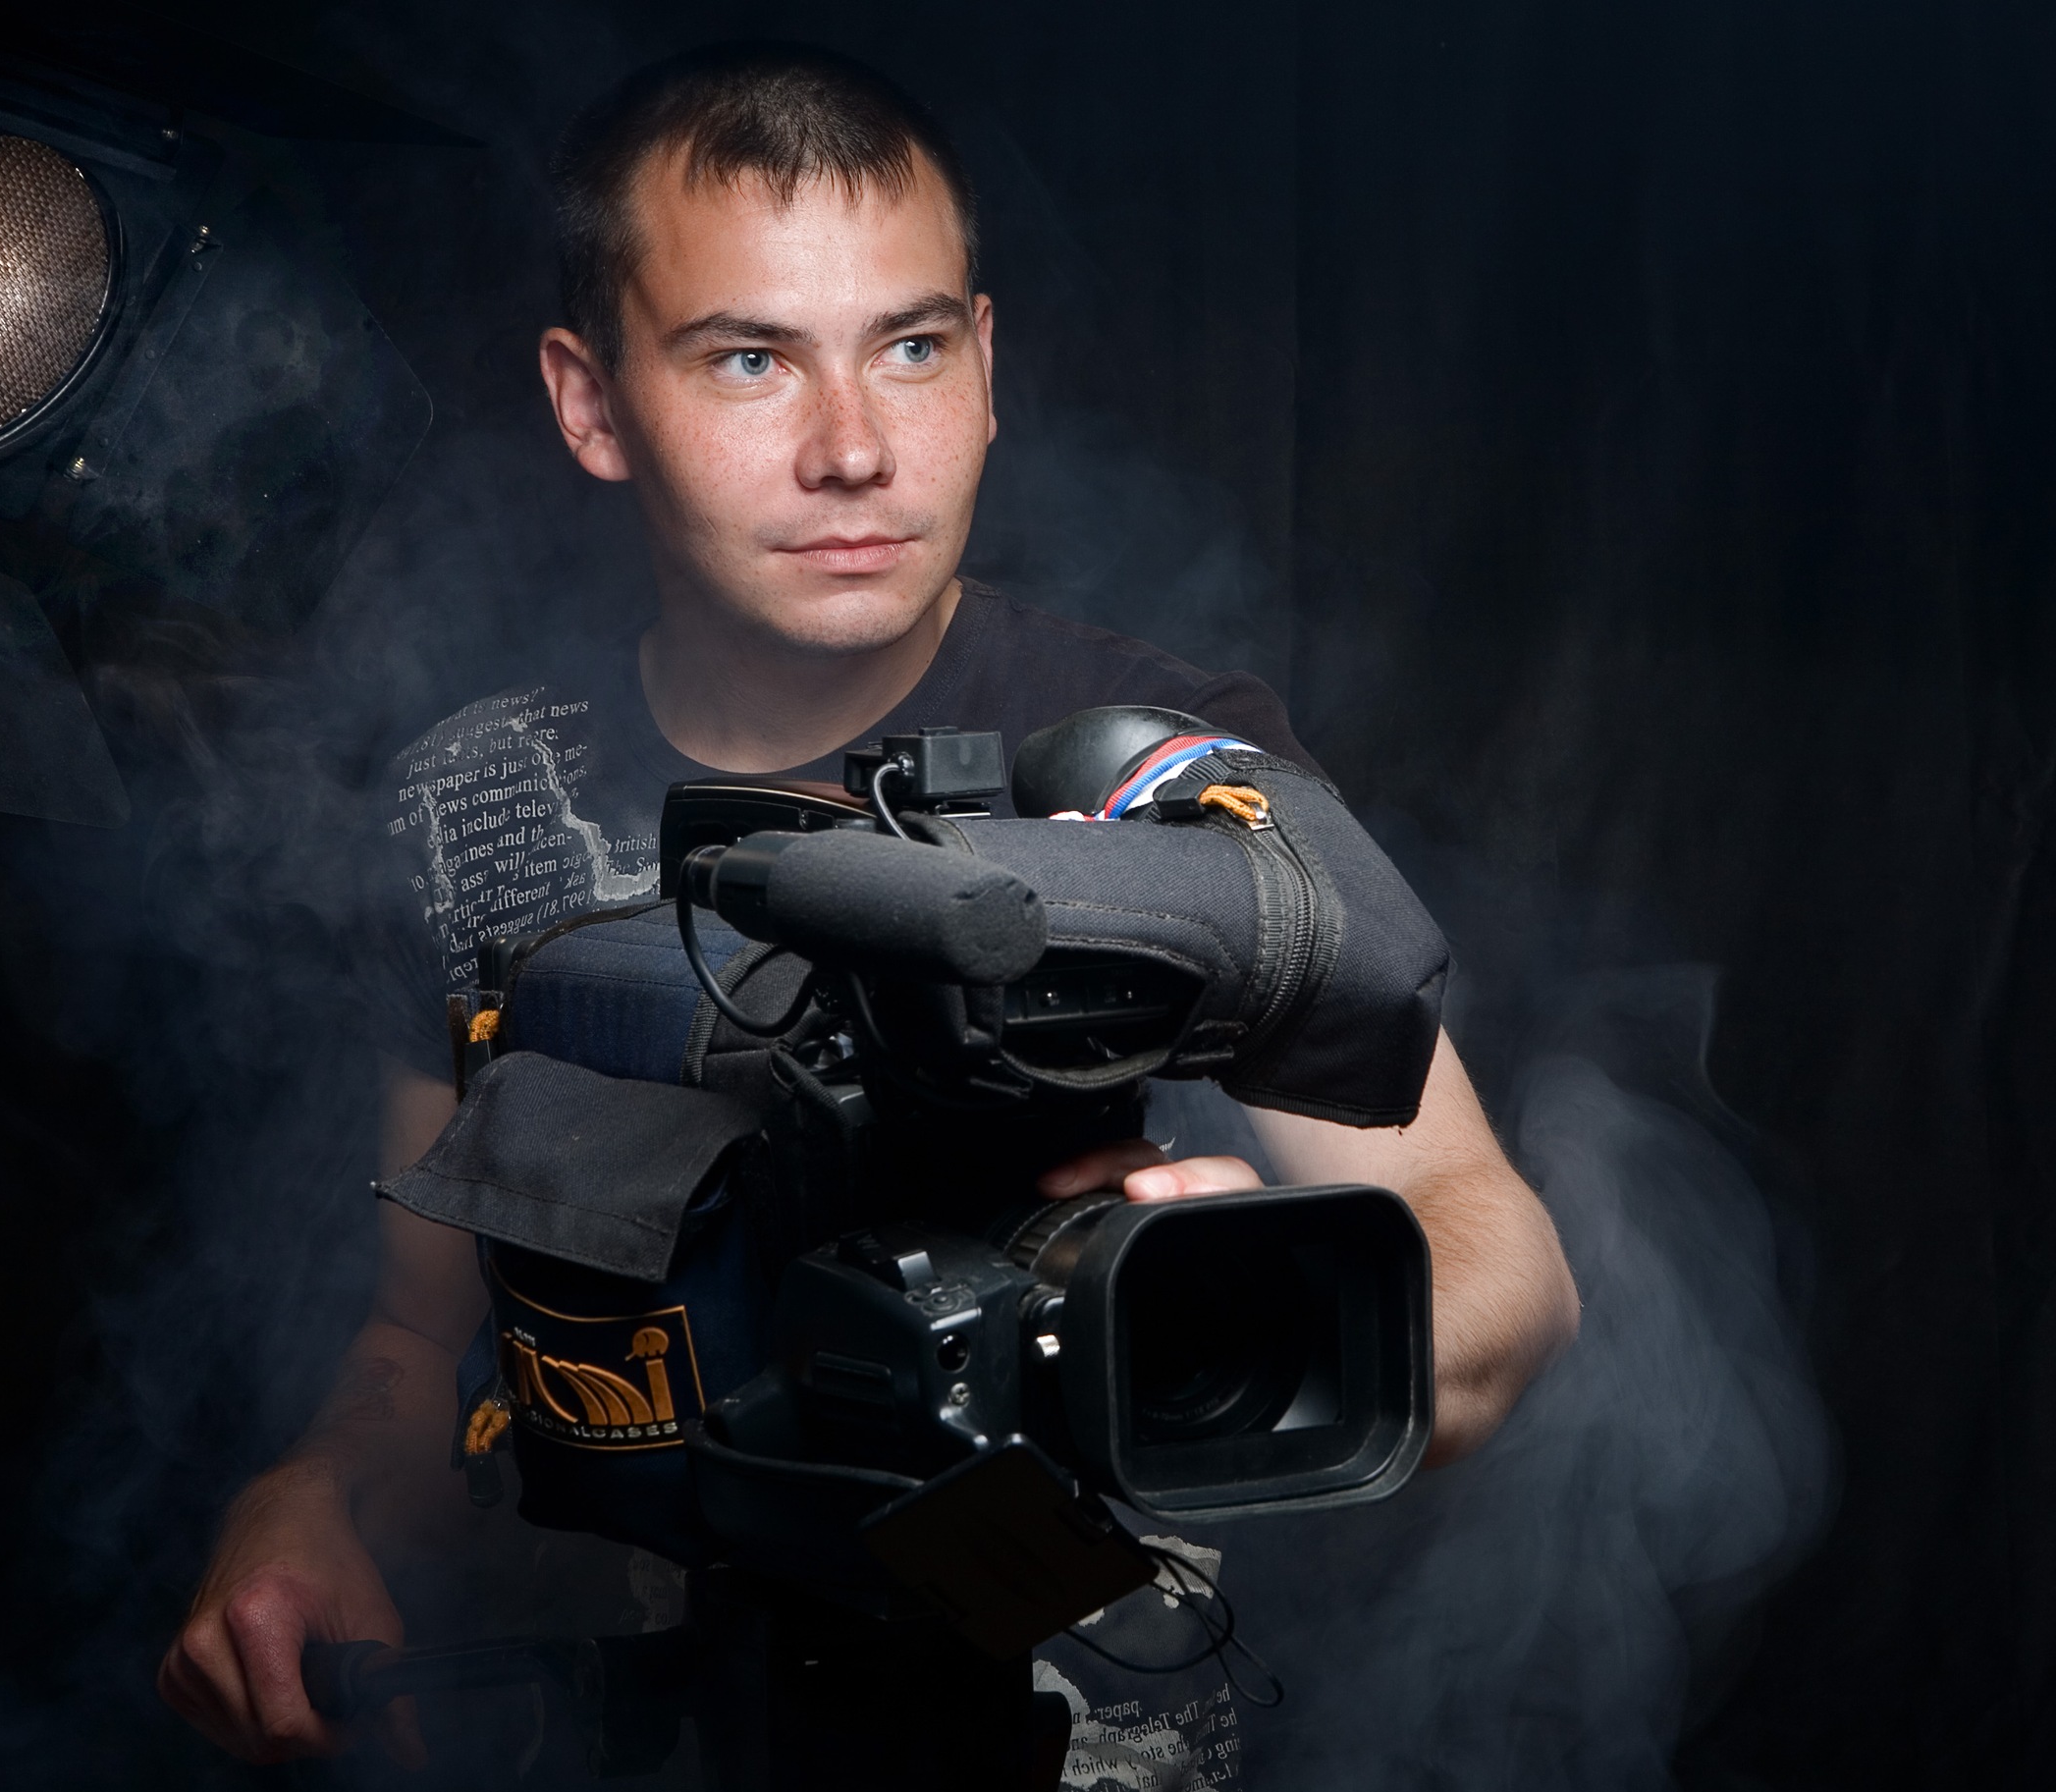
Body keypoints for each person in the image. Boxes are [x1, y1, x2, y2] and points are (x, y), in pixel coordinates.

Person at [158, 42, 1580, 1770]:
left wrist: (1235, 1307)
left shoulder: (1156, 771)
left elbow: (1497, 1256)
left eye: (909, 348)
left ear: (984, 369)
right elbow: (417, 1327)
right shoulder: (475, 802)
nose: (853, 449)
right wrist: (309, 1496)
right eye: (750, 359)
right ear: (591, 404)